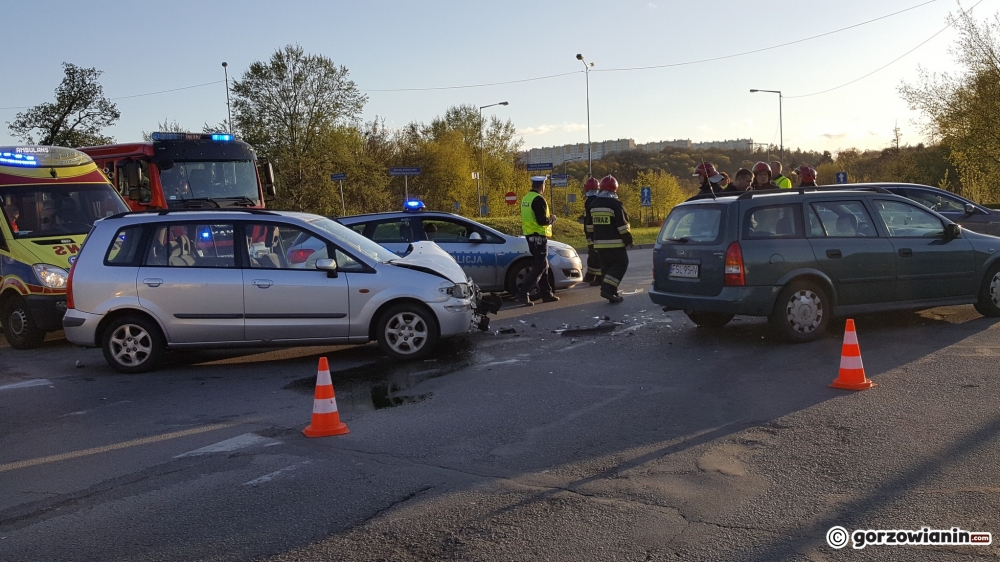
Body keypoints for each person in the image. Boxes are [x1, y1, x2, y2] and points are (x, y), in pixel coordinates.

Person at [516, 176, 559, 306]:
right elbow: (542, 220)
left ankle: (546, 293)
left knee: (543, 264)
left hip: (530, 236)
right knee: (540, 266)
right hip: (538, 237)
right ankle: (523, 293)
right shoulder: (538, 199)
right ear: (542, 186)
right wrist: (552, 219)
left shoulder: (526, 198)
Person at [591, 175, 633, 303]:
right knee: (621, 264)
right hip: (615, 244)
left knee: (607, 268)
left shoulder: (593, 204)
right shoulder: (616, 204)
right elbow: (622, 226)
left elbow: (590, 225)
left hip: (599, 244)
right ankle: (607, 289)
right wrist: (628, 240)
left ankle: (612, 292)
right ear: (615, 189)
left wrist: (591, 241)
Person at [581, 176, 603, 286]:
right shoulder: (599, 200)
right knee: (592, 254)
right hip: (596, 232)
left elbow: (588, 220)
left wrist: (589, 234)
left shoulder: (589, 201)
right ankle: (590, 275)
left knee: (595, 255)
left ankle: (599, 278)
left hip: (592, 234)